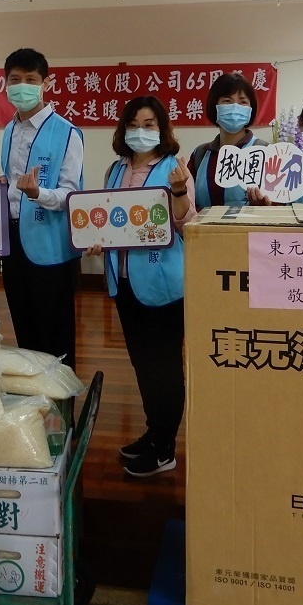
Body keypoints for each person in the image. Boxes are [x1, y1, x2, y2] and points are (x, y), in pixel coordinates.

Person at [88, 96, 195, 478]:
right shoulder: (114, 170)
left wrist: (180, 193)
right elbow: (105, 222)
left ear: (162, 129)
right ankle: (153, 434)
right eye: (134, 124)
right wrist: (96, 239)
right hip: (126, 284)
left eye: (150, 124)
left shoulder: (174, 169)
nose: (141, 131)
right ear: (123, 130)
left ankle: (165, 448)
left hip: (163, 285)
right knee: (143, 364)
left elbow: (187, 226)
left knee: (164, 368)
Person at [0, 48, 84, 369]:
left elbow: (70, 195)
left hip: (51, 248)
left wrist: (37, 193)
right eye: (15, 80)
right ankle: (35, 406)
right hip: (14, 246)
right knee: (26, 331)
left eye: (30, 80)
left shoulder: (67, 133)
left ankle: (61, 414)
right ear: (5, 84)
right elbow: (10, 182)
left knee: (56, 337)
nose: (22, 86)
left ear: (45, 83)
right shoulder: (9, 131)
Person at [188, 72, 267, 207]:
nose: (235, 107)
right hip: (205, 228)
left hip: (248, 228)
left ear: (251, 109)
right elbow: (188, 203)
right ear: (215, 106)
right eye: (227, 101)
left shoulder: (265, 151)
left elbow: (280, 204)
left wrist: (264, 205)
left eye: (243, 102)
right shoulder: (200, 154)